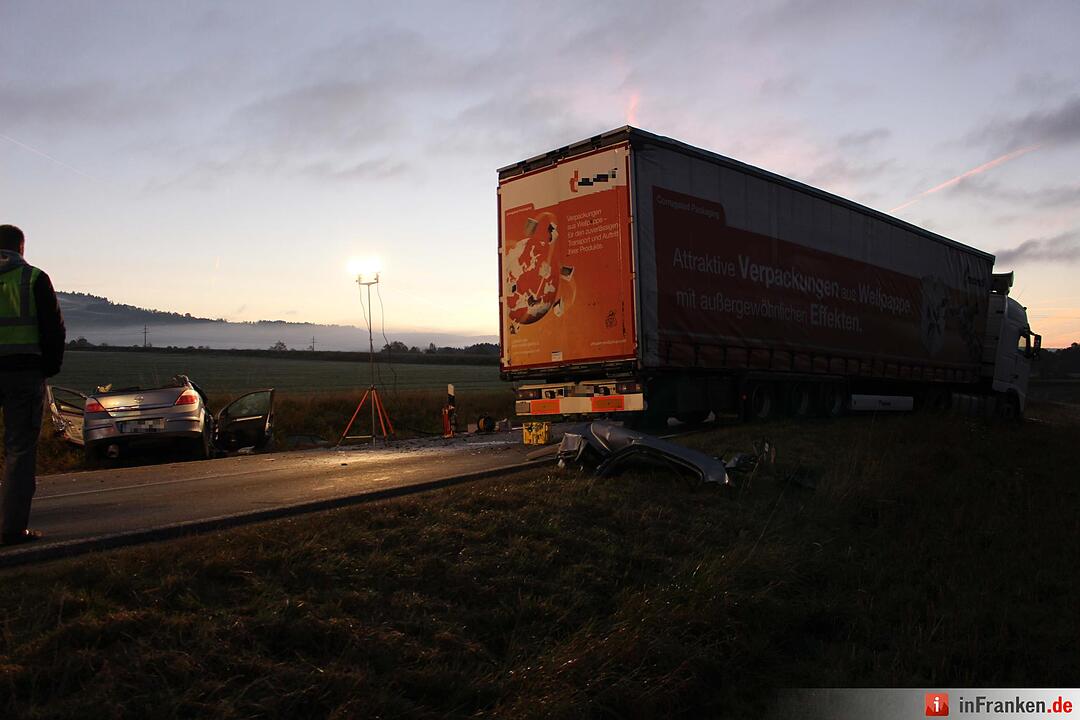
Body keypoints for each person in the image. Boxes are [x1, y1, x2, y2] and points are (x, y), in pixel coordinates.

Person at [0, 224, 65, 545]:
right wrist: (47, 369)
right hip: (24, 374)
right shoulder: (34, 279)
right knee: (19, 451)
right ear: (21, 248)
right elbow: (54, 328)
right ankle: (12, 530)